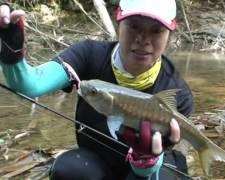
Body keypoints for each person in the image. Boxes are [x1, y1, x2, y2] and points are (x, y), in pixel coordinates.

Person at [0, 0, 193, 179]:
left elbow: (160, 160)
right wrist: (12, 49)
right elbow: (31, 85)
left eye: (156, 30)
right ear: (119, 23)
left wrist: (146, 161)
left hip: (152, 170)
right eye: (134, 26)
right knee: (68, 170)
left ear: (169, 34)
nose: (143, 39)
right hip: (97, 164)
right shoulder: (88, 54)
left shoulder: (178, 92)